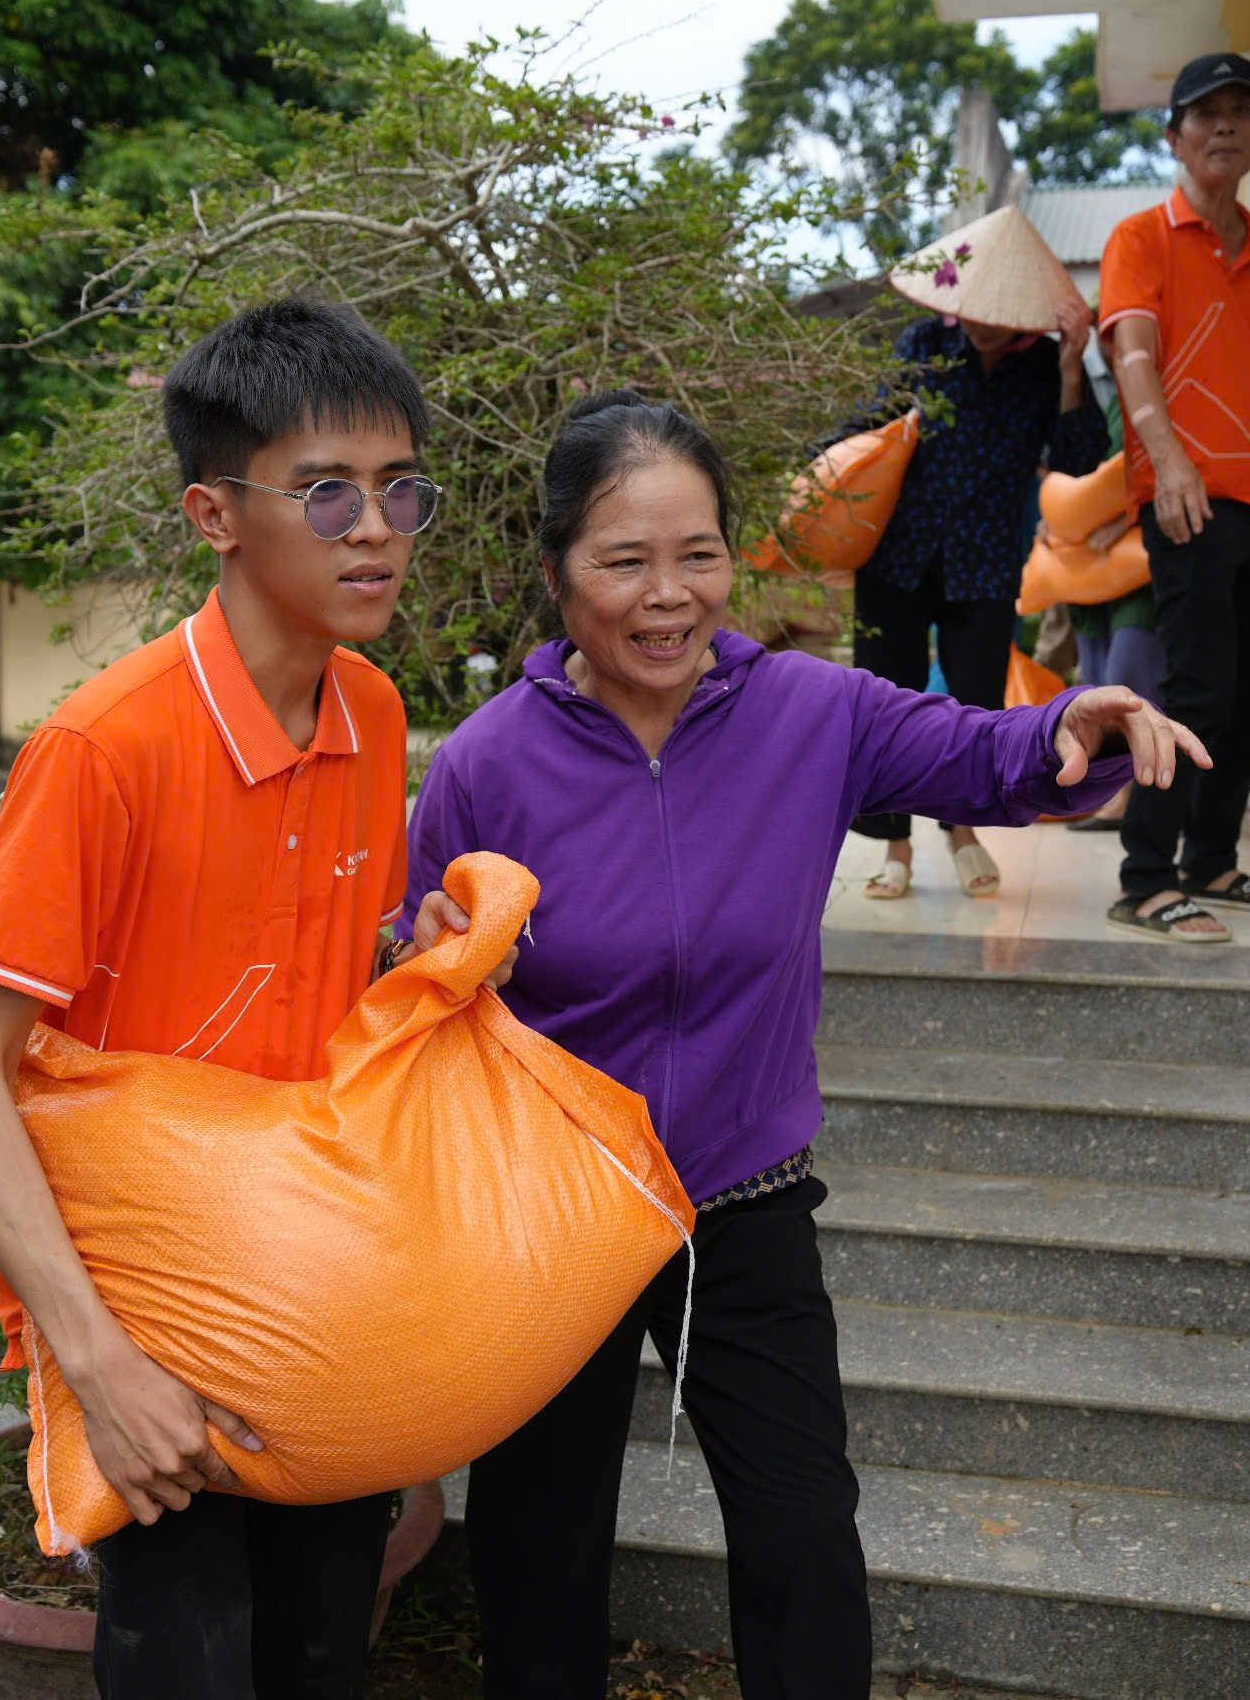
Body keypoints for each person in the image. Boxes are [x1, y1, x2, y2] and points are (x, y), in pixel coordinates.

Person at [401, 391, 1207, 1697]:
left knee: (802, 1533)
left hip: (742, 1192)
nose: (668, 595)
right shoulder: (487, 766)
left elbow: (981, 747)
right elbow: (408, 963)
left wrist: (1070, 729)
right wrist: (421, 945)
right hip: (555, 1208)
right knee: (539, 1555)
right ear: (556, 574)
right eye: (624, 561)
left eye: (698, 553)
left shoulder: (808, 715)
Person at [0, 298, 494, 1699]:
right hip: (145, 1306)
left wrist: (409, 955)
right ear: (213, 513)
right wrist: (97, 1358)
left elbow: (301, 976)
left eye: (400, 487)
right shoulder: (104, 747)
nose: (377, 527)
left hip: (307, 1288)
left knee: (318, 1647)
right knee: (186, 1661)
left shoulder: (367, 714)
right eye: (328, 491)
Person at [1098, 51, 1250, 944]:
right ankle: (1146, 876)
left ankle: (1213, 860)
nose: (1224, 125)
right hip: (1189, 497)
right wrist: (1172, 461)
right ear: (1175, 137)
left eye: (1242, 111)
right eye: (1205, 114)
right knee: (1196, 692)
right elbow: (1134, 356)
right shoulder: (1142, 238)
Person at [850, 209, 1110, 901]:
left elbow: (1080, 462)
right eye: (976, 307)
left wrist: (1071, 367)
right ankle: (895, 845)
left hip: (989, 567)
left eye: (1002, 310)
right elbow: (863, 432)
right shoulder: (920, 346)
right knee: (885, 704)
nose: (986, 322)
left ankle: (961, 828)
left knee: (976, 710)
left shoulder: (1044, 373)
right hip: (896, 561)